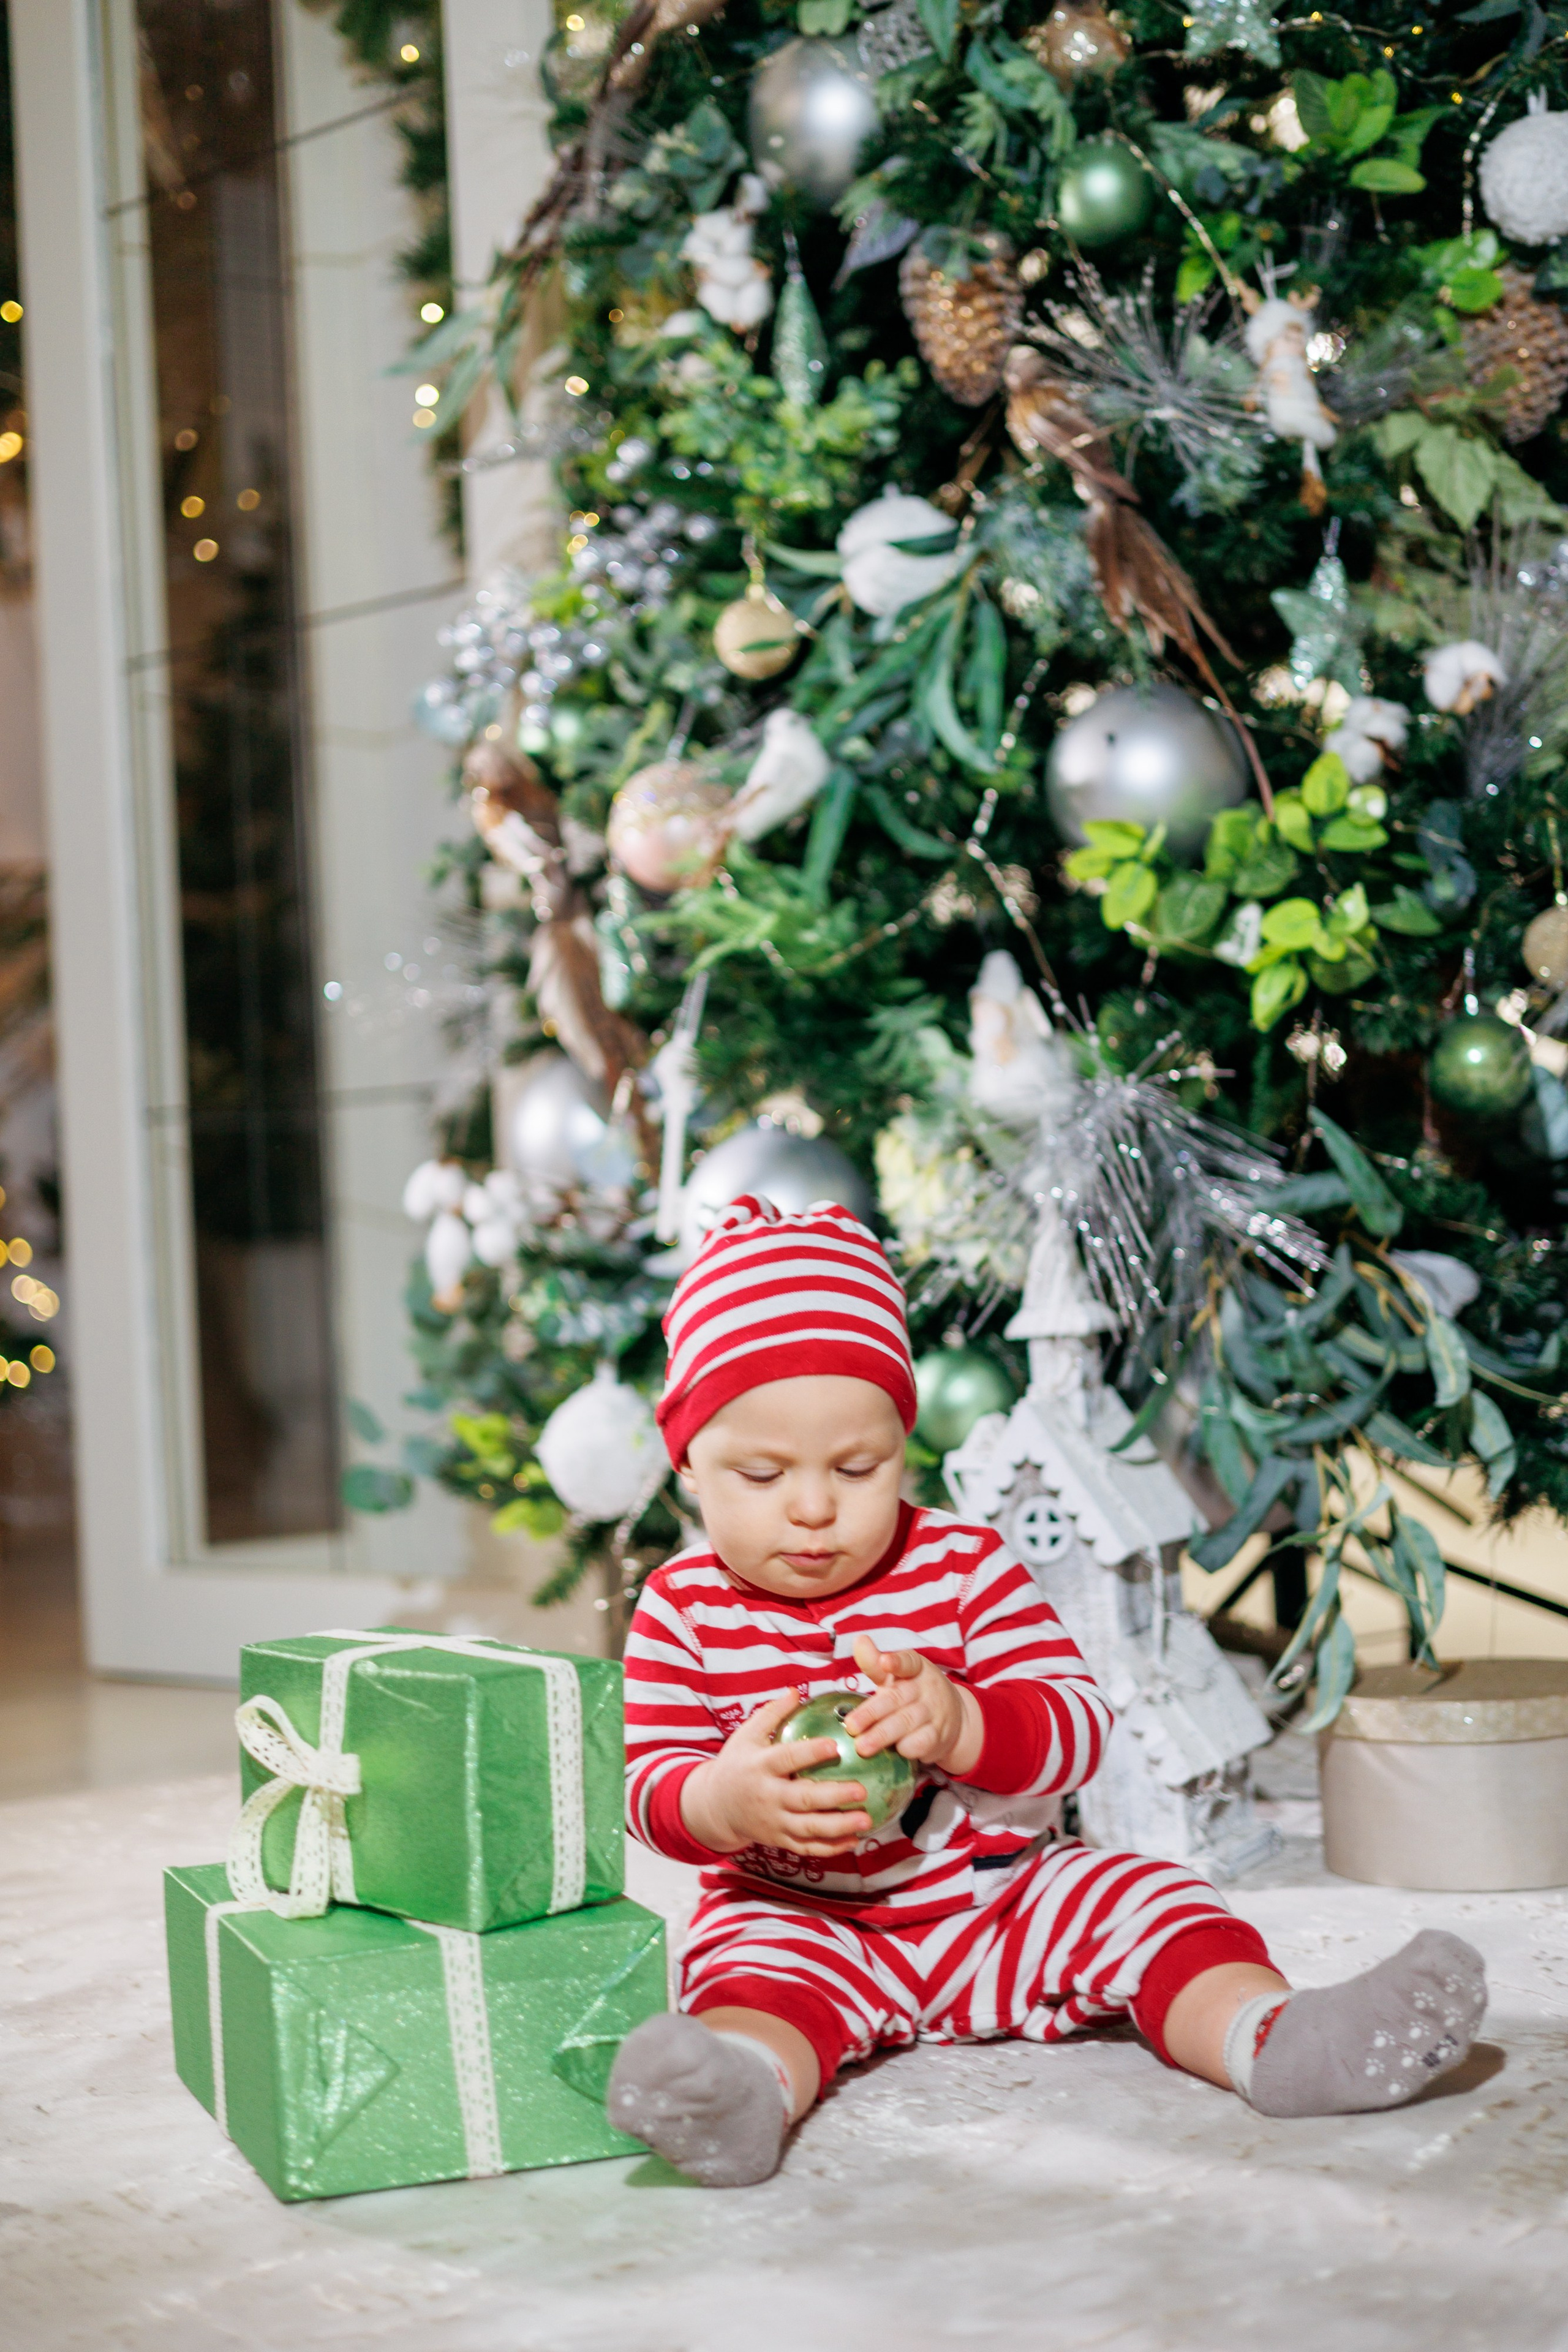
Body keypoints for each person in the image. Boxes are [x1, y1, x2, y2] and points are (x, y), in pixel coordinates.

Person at [608, 1195, 1486, 2187]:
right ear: (688, 1465)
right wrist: (723, 1800)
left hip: (999, 1902)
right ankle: (744, 2093)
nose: (813, 1508)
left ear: (902, 1441)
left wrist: (967, 1721)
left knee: (1153, 1898)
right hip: (799, 1918)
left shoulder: (962, 1562)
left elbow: (1077, 1725)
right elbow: (644, 1787)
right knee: (744, 1975)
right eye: (762, 1475)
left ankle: (1272, 2037)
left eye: (858, 1467)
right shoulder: (681, 1607)